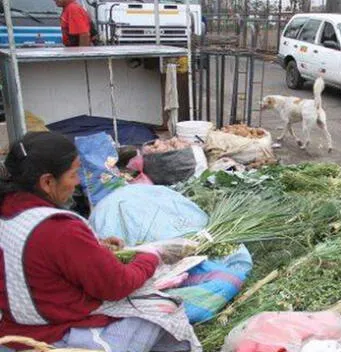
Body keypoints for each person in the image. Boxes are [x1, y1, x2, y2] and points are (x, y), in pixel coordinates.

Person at [0, 132, 197, 351]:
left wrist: (95, 246)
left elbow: (37, 258)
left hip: (14, 328)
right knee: (162, 309)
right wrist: (150, 256)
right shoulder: (60, 229)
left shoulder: (8, 211)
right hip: (54, 333)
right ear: (47, 182)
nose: (77, 183)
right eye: (73, 174)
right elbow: (117, 285)